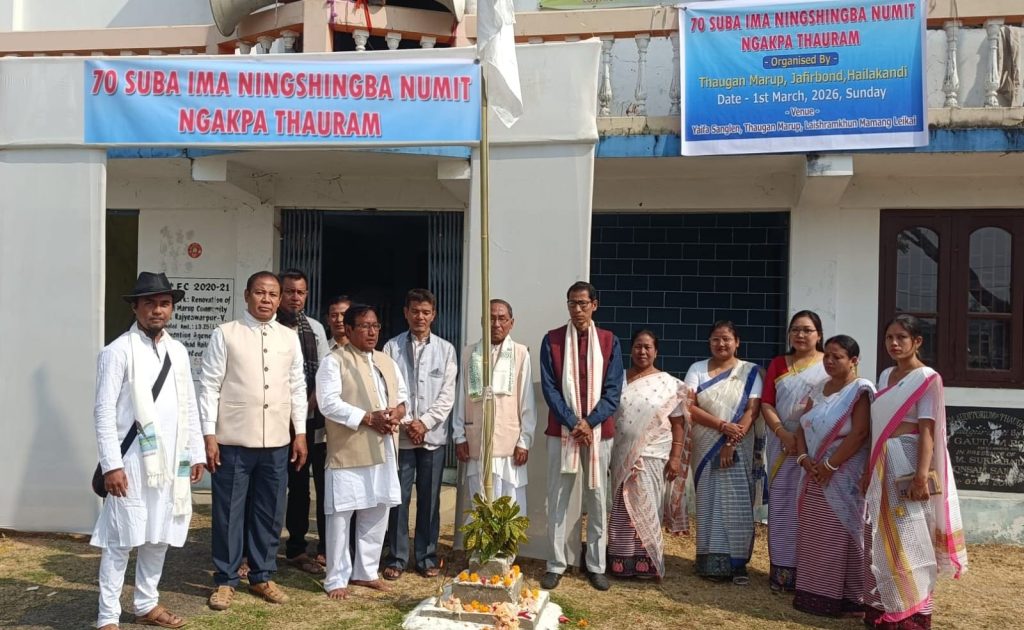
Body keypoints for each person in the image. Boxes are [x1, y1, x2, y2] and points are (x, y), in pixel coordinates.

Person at [91, 272, 206, 630]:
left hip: (171, 460)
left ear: (171, 308)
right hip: (130, 463)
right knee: (120, 540)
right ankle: (108, 616)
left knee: (159, 535)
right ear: (135, 308)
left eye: (164, 303)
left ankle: (146, 603)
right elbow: (103, 412)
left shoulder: (178, 351)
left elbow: (188, 404)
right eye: (150, 303)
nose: (158, 310)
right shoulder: (117, 352)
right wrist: (111, 466)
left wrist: (196, 452)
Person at [200, 271, 308, 610]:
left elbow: (297, 386)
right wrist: (208, 434)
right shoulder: (226, 333)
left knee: (270, 511)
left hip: (276, 440)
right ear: (247, 295)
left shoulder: (288, 337)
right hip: (233, 438)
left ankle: (262, 575)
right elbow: (209, 385)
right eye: (260, 292)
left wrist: (300, 432)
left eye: (273, 294)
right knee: (228, 512)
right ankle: (226, 579)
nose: (266, 299)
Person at [863, 315, 967, 628]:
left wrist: (921, 476)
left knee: (910, 531)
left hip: (908, 460)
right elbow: (878, 425)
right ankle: (885, 605)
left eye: (902, 338)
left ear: (917, 341)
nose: (894, 343)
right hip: (882, 461)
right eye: (889, 338)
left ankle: (913, 612)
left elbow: (927, 432)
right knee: (883, 534)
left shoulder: (927, 378)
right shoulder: (886, 375)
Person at [316, 304, 408, 599]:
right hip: (349, 448)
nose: (372, 332)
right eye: (365, 326)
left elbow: (403, 398)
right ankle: (336, 577)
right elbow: (328, 403)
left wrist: (396, 413)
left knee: (378, 508)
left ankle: (366, 572)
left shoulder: (386, 361)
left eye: (375, 326)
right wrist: (368, 418)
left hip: (384, 447)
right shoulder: (334, 361)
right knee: (341, 514)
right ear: (349, 329)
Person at [539, 281, 623, 592]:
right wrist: (575, 422)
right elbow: (550, 389)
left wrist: (590, 423)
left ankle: (596, 565)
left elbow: (613, 391)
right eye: (572, 303)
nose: (577, 309)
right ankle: (555, 563)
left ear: (594, 305)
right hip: (562, 431)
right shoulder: (552, 340)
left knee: (598, 500)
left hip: (599, 434)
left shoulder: (609, 341)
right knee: (558, 498)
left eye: (583, 303)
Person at [792, 335, 873, 617]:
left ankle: (849, 599)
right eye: (826, 355)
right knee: (816, 535)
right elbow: (802, 426)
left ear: (854, 361)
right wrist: (804, 458)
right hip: (814, 472)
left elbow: (860, 433)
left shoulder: (860, 390)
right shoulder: (819, 388)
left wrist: (831, 465)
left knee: (842, 534)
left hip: (842, 474)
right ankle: (814, 594)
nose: (828, 361)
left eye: (837, 357)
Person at [382, 289, 458, 579]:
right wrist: (408, 423)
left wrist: (424, 423)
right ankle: (397, 556)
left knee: (430, 499)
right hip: (401, 437)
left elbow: (447, 395)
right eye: (415, 311)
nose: (420, 317)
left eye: (426, 312)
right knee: (398, 498)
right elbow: (388, 390)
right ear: (406, 313)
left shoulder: (446, 350)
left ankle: (426, 556)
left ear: (434, 315)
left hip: (432, 437)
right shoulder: (391, 348)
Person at [685, 320, 763, 585]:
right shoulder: (697, 369)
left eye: (727, 339)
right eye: (716, 339)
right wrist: (721, 426)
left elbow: (752, 409)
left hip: (738, 444)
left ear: (737, 342)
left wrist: (731, 441)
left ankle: (737, 564)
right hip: (706, 443)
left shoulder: (749, 372)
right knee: (708, 500)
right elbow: (689, 405)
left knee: (737, 502)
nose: (721, 344)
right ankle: (707, 560)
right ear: (709, 342)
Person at [607, 330, 690, 580]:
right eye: (637, 346)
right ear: (631, 349)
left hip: (654, 455)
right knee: (622, 508)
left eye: (647, 347)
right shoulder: (617, 380)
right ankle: (621, 561)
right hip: (622, 453)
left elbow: (678, 424)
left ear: (656, 351)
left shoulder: (668, 384)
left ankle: (647, 562)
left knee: (648, 505)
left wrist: (675, 457)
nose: (642, 352)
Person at [760, 310, 828, 592]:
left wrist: (800, 436)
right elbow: (766, 402)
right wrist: (783, 434)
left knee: (811, 507)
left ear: (819, 335)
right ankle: (783, 572)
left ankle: (812, 574)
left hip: (815, 444)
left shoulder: (829, 364)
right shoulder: (778, 364)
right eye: (795, 330)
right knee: (782, 505)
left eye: (807, 330)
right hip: (781, 445)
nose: (800, 335)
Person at [453, 299, 536, 513]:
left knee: (511, 505)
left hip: (510, 444)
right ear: (483, 321)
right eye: (491, 318)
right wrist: (459, 436)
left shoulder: (520, 353)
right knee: (481, 504)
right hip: (478, 442)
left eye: (502, 319)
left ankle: (506, 539)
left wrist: (525, 441)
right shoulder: (470, 353)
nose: (496, 324)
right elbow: (461, 396)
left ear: (511, 323)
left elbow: (526, 400)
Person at [279, 269, 330, 575]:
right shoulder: (269, 326)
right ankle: (257, 550)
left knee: (301, 487)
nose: (295, 298)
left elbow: (324, 372)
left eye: (300, 292)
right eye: (289, 291)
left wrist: (309, 400)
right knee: (272, 487)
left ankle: (297, 548)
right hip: (273, 421)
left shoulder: (315, 329)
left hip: (308, 421)